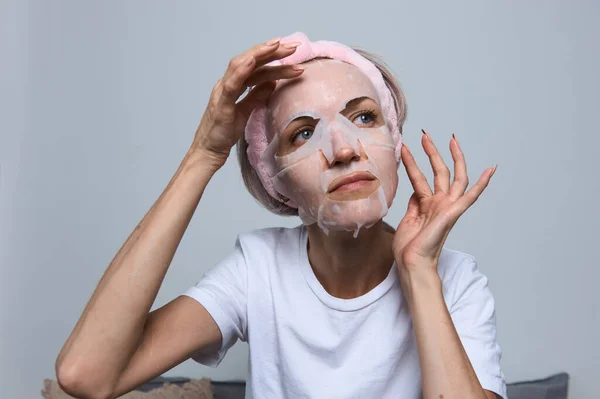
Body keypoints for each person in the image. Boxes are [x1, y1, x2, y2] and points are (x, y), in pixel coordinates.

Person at [56, 32, 506, 399]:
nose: (345, 149)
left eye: (364, 118)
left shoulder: (456, 279)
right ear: (277, 183)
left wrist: (420, 274)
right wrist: (204, 154)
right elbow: (85, 374)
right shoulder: (258, 270)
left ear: (395, 142)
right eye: (304, 133)